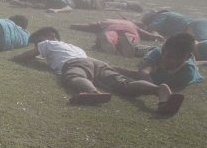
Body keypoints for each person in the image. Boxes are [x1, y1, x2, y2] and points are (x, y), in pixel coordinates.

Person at [11, 27, 184, 115]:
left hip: (74, 63)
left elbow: (28, 55)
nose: (37, 44)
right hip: (96, 63)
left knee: (74, 76)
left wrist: (13, 59)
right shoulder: (72, 46)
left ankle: (92, 92)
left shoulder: (46, 43)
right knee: (123, 84)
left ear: (46, 37)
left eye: (37, 41)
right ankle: (158, 90)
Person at [130, 32, 203, 92]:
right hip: (157, 53)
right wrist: (155, 87)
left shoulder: (188, 72)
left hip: (176, 67)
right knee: (151, 52)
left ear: (187, 57)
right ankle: (135, 48)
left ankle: (136, 49)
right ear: (163, 51)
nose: (173, 61)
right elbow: (144, 72)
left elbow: (172, 86)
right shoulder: (158, 53)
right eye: (170, 56)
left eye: (179, 57)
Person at [68, 18, 162, 56]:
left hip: (111, 28)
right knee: (130, 36)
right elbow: (148, 35)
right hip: (130, 30)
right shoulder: (132, 24)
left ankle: (109, 41)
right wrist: (156, 36)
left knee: (110, 35)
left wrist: (76, 25)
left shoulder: (108, 21)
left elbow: (90, 25)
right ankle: (128, 41)